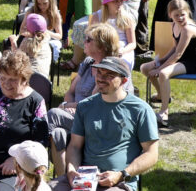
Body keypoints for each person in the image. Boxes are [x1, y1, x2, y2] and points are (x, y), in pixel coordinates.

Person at [49, 56, 159, 191]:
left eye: (109, 75)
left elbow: (151, 154)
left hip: (119, 182)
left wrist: (121, 174)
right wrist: (71, 170)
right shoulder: (85, 106)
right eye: (99, 72)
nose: (101, 78)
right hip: (85, 178)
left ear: (124, 80)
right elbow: (75, 146)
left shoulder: (140, 110)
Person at [0, 50, 48, 183]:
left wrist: (16, 160)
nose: (6, 84)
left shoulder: (35, 101)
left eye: (13, 80)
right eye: (2, 78)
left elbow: (40, 144)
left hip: (21, 167)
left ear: (24, 79)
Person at [141, 0, 196, 127]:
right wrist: (161, 60)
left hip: (192, 62)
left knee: (163, 74)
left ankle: (164, 112)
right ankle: (161, 95)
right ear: (170, 15)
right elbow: (174, 48)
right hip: (181, 60)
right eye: (176, 15)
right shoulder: (174, 25)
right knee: (145, 68)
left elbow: (178, 54)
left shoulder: (188, 29)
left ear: (187, 12)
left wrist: (160, 69)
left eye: (183, 14)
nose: (180, 18)